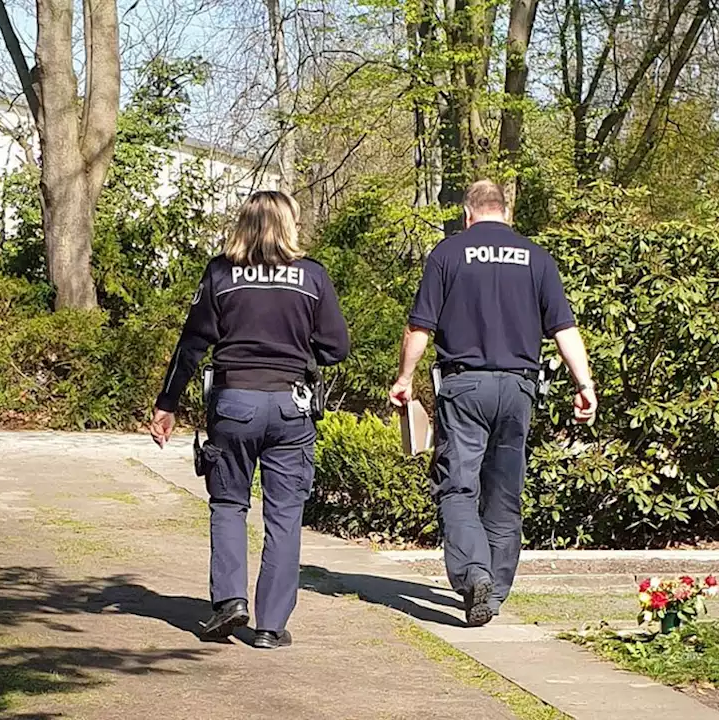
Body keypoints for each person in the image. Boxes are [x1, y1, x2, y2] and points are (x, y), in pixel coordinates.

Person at [388, 180, 596, 627]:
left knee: (458, 488)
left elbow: (419, 327)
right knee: (504, 491)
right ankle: (495, 592)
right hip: (519, 388)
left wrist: (405, 379)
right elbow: (564, 330)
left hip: (464, 388)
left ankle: (473, 574)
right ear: (507, 212)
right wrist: (585, 384)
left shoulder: (448, 254)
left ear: (468, 215)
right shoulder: (537, 258)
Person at [150, 190, 349, 649]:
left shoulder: (221, 273)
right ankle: (271, 626)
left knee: (228, 504)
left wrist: (167, 404)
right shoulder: (312, 276)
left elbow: (192, 344)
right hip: (290, 407)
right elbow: (337, 347)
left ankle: (229, 603)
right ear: (291, 223)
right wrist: (301, 353)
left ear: (243, 224)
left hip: (234, 402)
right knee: (284, 514)